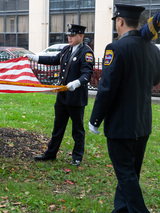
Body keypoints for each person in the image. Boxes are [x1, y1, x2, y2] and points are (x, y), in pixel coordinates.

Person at [89, 4, 160, 212]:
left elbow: (107, 89)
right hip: (142, 124)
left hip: (121, 126)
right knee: (130, 173)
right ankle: (120, 209)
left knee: (126, 175)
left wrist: (95, 120)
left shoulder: (116, 48)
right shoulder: (152, 49)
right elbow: (156, 79)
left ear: (120, 21)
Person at [25, 24, 94, 166]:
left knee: (77, 129)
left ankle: (77, 157)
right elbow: (54, 60)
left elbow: (87, 74)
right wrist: (35, 58)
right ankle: (50, 154)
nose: (70, 38)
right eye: (69, 35)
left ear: (81, 36)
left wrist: (77, 83)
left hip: (75, 98)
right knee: (58, 127)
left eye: (73, 35)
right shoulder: (66, 50)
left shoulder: (86, 53)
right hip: (62, 97)